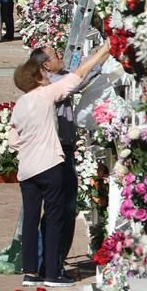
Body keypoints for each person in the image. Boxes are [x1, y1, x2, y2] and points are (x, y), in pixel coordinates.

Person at [10, 42, 110, 287]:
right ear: (38, 78)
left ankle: (30, 272)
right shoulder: (46, 94)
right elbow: (77, 77)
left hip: (26, 170)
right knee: (55, 218)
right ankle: (53, 273)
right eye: (43, 74)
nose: (47, 77)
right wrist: (101, 52)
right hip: (50, 165)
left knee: (31, 220)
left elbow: (14, 141)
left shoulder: (21, 104)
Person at [31, 45, 101, 272]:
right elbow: (78, 78)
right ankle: (48, 265)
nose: (61, 56)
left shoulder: (57, 77)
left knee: (63, 209)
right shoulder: (51, 85)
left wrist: (103, 53)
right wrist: (106, 50)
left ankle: (53, 262)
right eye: (56, 55)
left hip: (63, 151)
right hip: (56, 153)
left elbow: (85, 73)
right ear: (45, 65)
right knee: (58, 209)